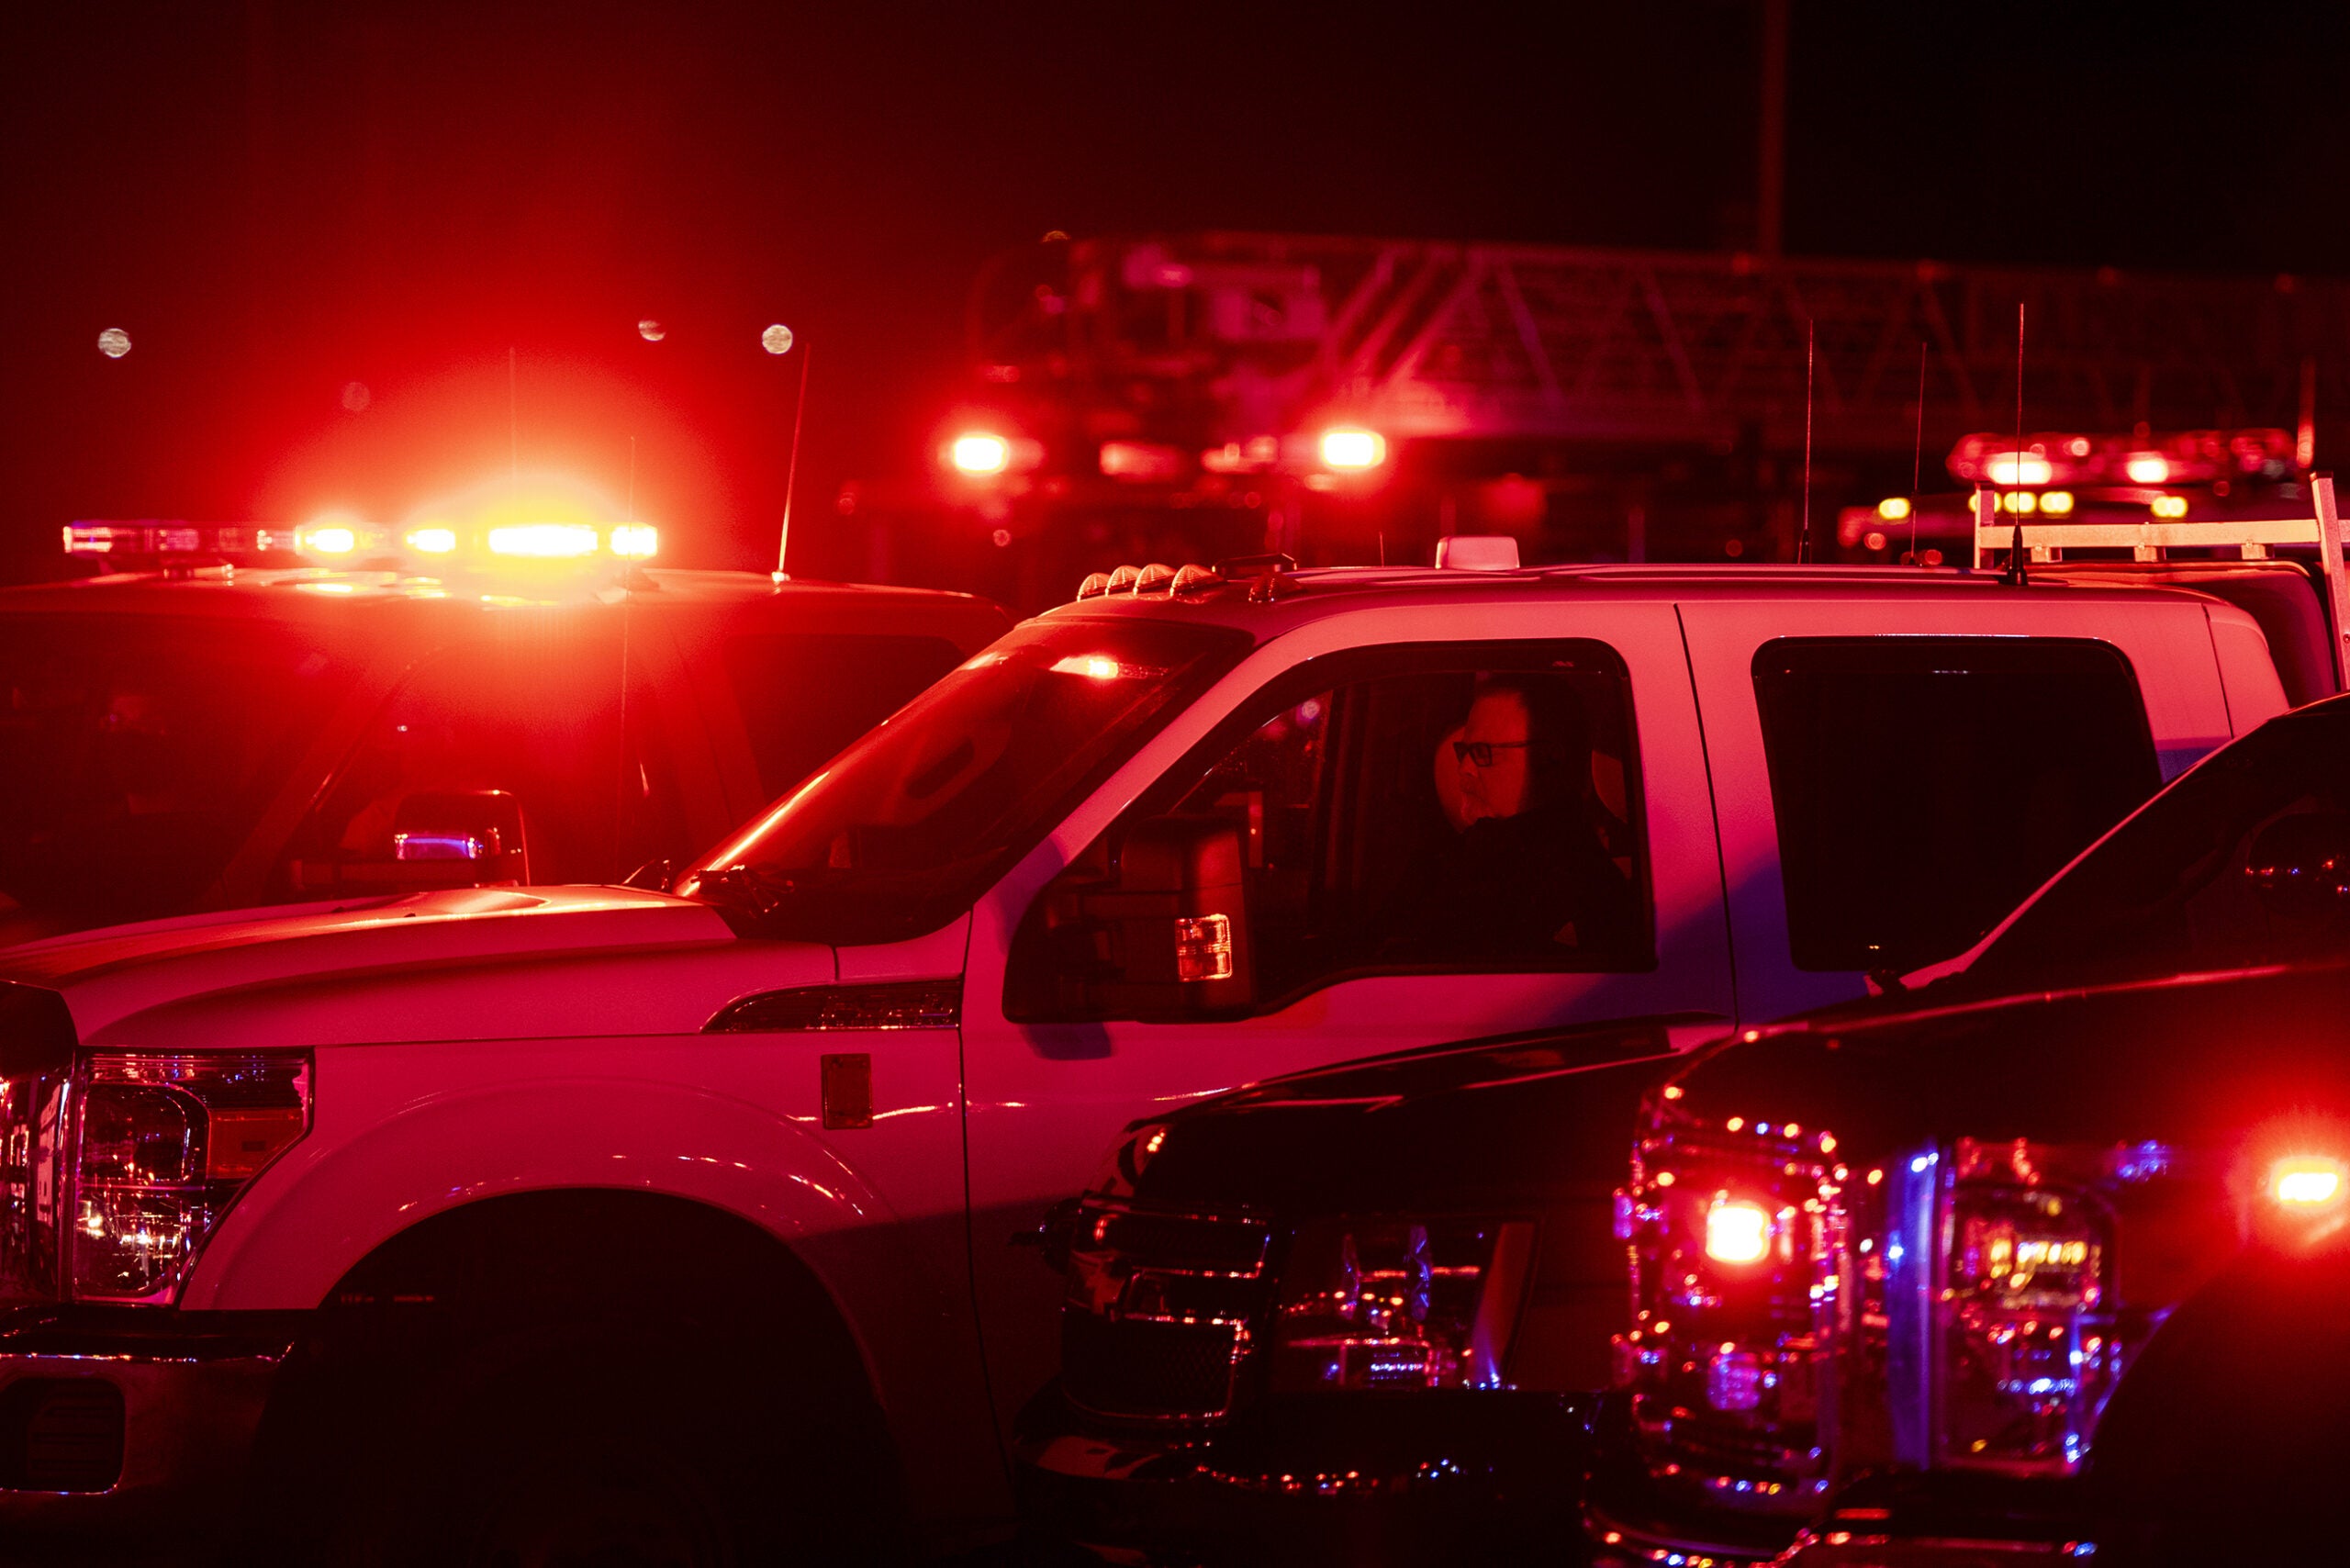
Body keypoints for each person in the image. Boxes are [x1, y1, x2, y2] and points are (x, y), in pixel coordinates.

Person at [1396, 676, 1640, 962]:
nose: (1463, 769)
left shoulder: (1580, 893)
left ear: (1551, 758)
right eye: (1463, 752)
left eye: (1482, 753)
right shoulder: (1466, 858)